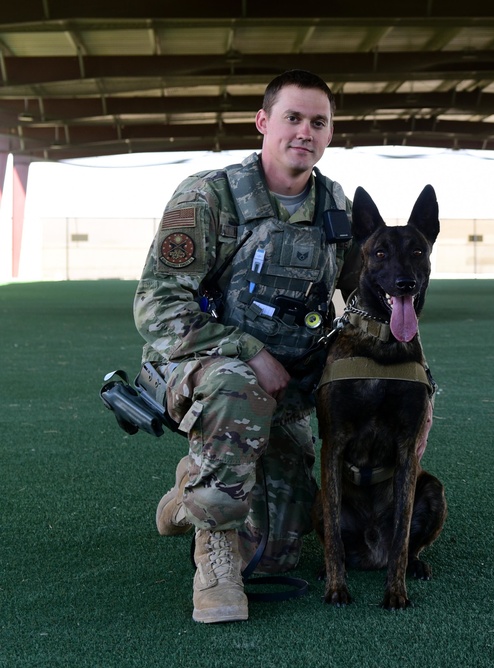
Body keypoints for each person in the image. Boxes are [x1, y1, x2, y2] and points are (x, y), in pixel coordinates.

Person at [133, 70, 358, 624]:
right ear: (263, 122)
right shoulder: (209, 196)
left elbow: (357, 294)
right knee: (239, 383)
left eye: (318, 122)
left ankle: (194, 490)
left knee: (280, 546)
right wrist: (247, 349)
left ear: (329, 135)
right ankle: (214, 564)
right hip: (202, 370)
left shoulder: (335, 205)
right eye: (293, 118)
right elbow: (157, 306)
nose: (305, 131)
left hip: (289, 384)